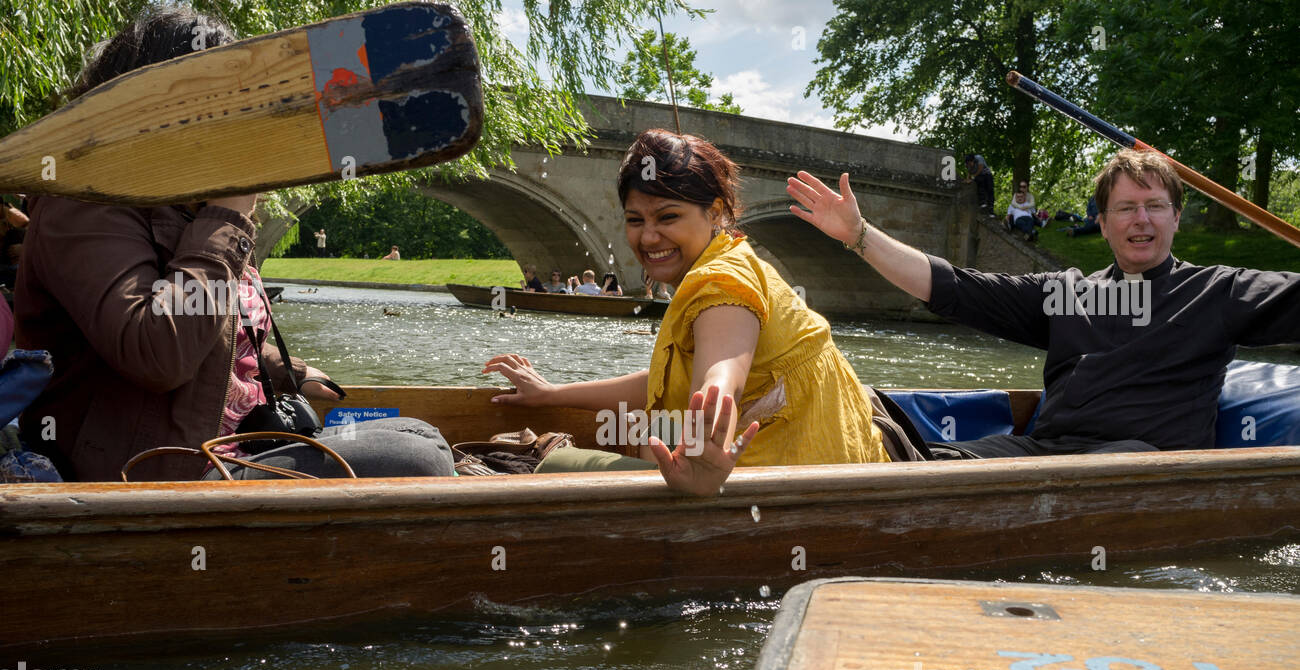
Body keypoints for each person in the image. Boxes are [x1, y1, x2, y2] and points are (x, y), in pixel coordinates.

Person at [13, 7, 453, 482]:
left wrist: (288, 372)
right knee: (416, 460)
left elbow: (219, 333)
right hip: (160, 472)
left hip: (236, 441)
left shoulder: (187, 204)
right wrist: (228, 214)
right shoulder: (83, 206)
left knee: (419, 433)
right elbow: (157, 354)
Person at [787, 148, 1300, 458]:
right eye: (1125, 208)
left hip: (1143, 462)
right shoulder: (1068, 293)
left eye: (1155, 207)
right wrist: (859, 236)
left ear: (1175, 218)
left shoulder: (1221, 291)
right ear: (1102, 223)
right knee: (923, 455)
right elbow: (953, 287)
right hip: (1043, 452)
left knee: (1116, 463)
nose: (1140, 219)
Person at [483, 128, 891, 496]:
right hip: (836, 482)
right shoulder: (731, 259)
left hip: (780, 498)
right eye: (635, 220)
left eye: (668, 217)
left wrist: (702, 465)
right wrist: (553, 394)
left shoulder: (719, 280)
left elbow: (721, 378)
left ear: (715, 213)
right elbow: (665, 382)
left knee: (521, 460)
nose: (648, 236)